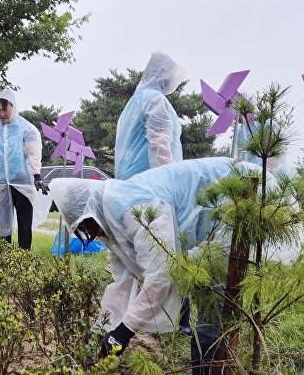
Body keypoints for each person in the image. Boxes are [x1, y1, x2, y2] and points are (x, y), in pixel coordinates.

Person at [48, 157, 266, 372]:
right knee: (205, 311)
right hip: (207, 227)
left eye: (88, 227)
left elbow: (162, 275)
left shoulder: (136, 209)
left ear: (91, 213)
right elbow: (122, 282)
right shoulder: (110, 220)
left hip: (233, 199)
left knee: (211, 313)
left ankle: (211, 369)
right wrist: (102, 329)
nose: (95, 235)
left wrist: (124, 332)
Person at [113, 51, 191, 334]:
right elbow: (160, 146)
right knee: (164, 259)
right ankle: (170, 321)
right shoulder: (156, 101)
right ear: (164, 75)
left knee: (136, 259)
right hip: (151, 189)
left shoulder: (133, 103)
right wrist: (169, 184)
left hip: (128, 190)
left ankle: (123, 318)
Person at [0, 89, 51, 250]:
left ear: (13, 106)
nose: (1, 113)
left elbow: (33, 153)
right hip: (3, 184)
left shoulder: (25, 128)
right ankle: (4, 256)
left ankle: (23, 258)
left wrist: (36, 176)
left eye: (4, 109)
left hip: (22, 182)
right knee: (4, 221)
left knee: (24, 221)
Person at [114, 51, 186, 181]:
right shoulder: (155, 99)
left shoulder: (135, 101)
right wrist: (170, 179)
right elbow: (159, 142)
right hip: (146, 179)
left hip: (127, 178)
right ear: (165, 75)